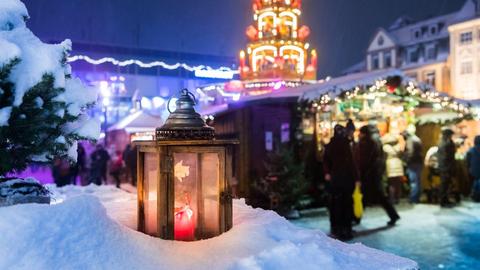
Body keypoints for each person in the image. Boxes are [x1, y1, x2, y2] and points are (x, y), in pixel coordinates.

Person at [355, 125, 400, 226]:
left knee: (371, 197)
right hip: (375, 174)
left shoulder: (365, 143)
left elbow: (362, 161)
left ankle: (356, 218)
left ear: (363, 133)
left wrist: (361, 174)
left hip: (368, 175)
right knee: (377, 197)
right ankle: (356, 218)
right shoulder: (376, 141)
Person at [324, 125, 358, 240]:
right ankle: (346, 229)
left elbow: (325, 161)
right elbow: (352, 164)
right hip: (347, 179)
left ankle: (336, 228)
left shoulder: (330, 145)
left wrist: (328, 173)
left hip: (335, 179)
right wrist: (357, 178)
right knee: (347, 204)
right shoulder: (347, 145)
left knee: (335, 204)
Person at [402, 127, 423, 203]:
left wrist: (406, 161)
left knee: (413, 181)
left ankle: (413, 199)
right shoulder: (417, 139)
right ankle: (417, 197)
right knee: (417, 181)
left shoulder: (410, 140)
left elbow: (410, 152)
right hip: (418, 162)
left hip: (413, 163)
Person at [382, 134, 404, 204]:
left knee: (391, 183)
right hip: (398, 164)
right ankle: (397, 198)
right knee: (398, 183)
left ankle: (391, 199)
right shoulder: (398, 146)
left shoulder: (385, 147)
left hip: (390, 165)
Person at [437, 127, 457, 207]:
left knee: (446, 184)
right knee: (444, 184)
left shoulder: (445, 142)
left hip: (446, 167)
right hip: (445, 167)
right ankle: (442, 201)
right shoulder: (445, 143)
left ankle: (445, 199)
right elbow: (446, 156)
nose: (451, 136)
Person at [466, 135, 480, 202]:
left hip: (473, 170)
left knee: (475, 182)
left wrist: (469, 168)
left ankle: (475, 196)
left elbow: (467, 161)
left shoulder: (471, 150)